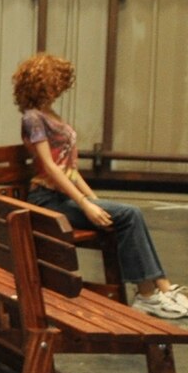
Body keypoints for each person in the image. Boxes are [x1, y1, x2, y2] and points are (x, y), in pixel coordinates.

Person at [13, 52, 186, 319]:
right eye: (53, 82)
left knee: (124, 214)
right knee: (131, 214)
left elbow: (69, 169)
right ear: (38, 83)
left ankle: (161, 288)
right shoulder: (33, 118)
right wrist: (85, 203)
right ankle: (147, 295)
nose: (59, 88)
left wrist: (94, 200)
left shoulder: (49, 113)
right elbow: (50, 167)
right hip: (47, 199)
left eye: (60, 82)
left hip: (62, 195)